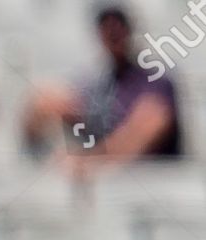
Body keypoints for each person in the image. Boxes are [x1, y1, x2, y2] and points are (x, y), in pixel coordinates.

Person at [23, 6, 181, 170]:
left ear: (129, 31)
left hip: (156, 177)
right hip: (114, 178)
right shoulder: (101, 82)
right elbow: (59, 103)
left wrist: (89, 160)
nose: (113, 34)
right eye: (107, 29)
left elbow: (145, 130)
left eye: (117, 28)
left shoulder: (155, 79)